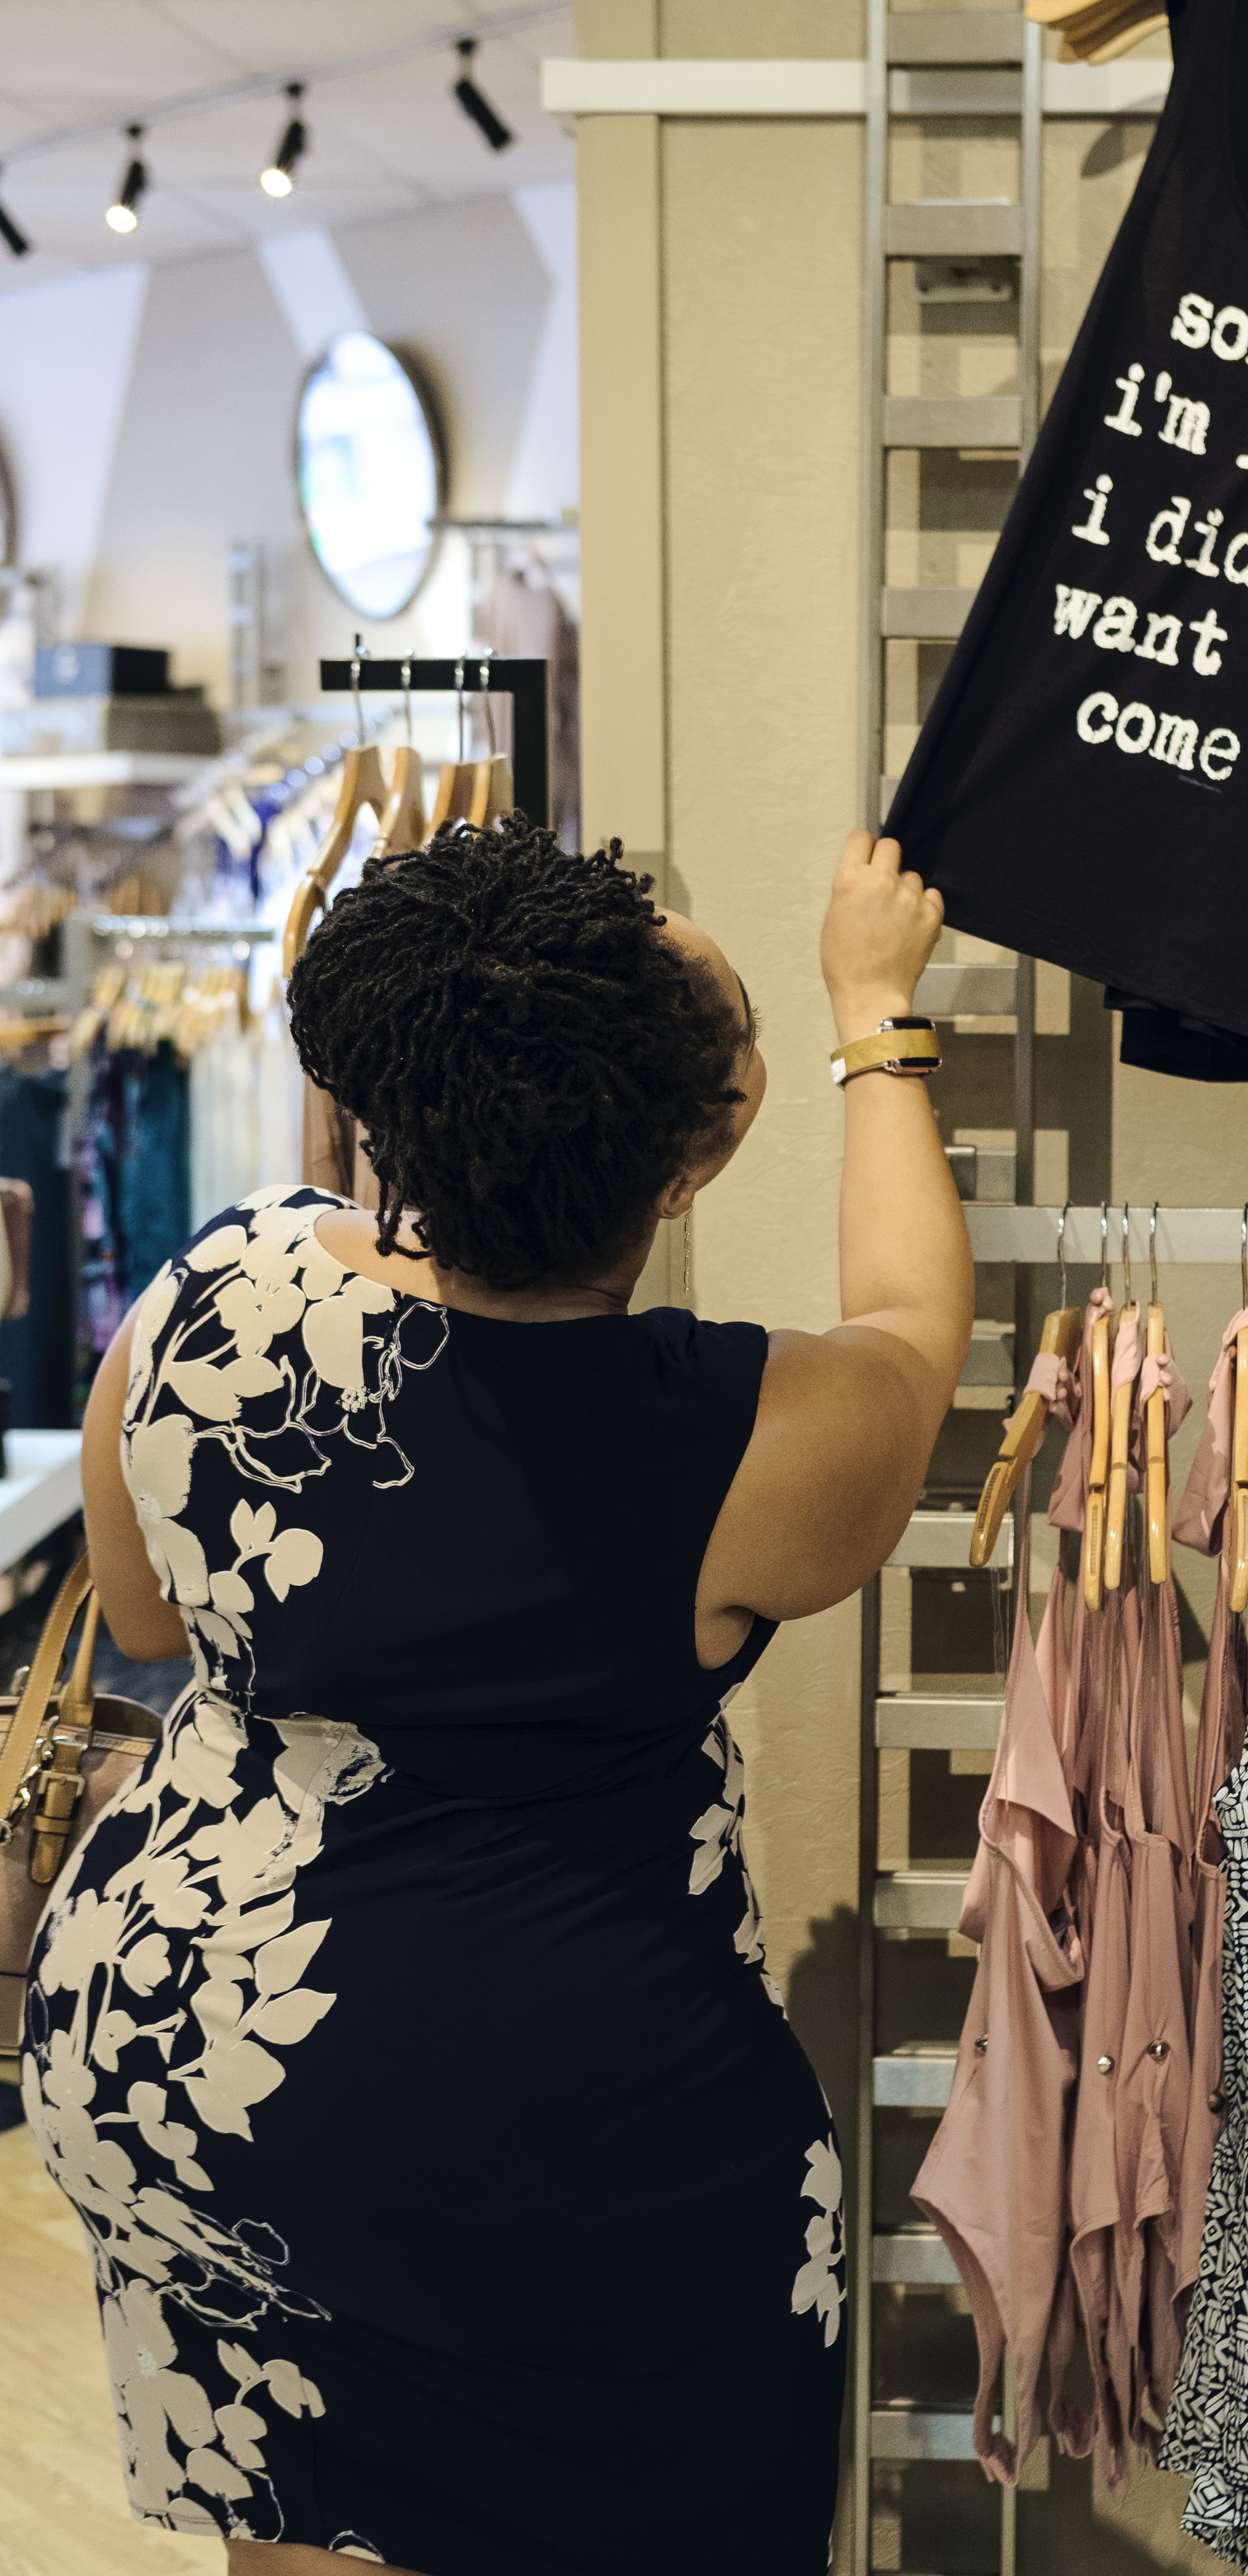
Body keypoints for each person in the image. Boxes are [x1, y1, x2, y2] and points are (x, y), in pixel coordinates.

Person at [22, 820, 972, 2576]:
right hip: (550, 2117)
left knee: (299, 2506)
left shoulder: (222, 1284)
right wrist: (870, 1010)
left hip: (193, 2047)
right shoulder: (742, 1439)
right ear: (690, 1168)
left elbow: (147, 1604)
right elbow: (913, 1326)